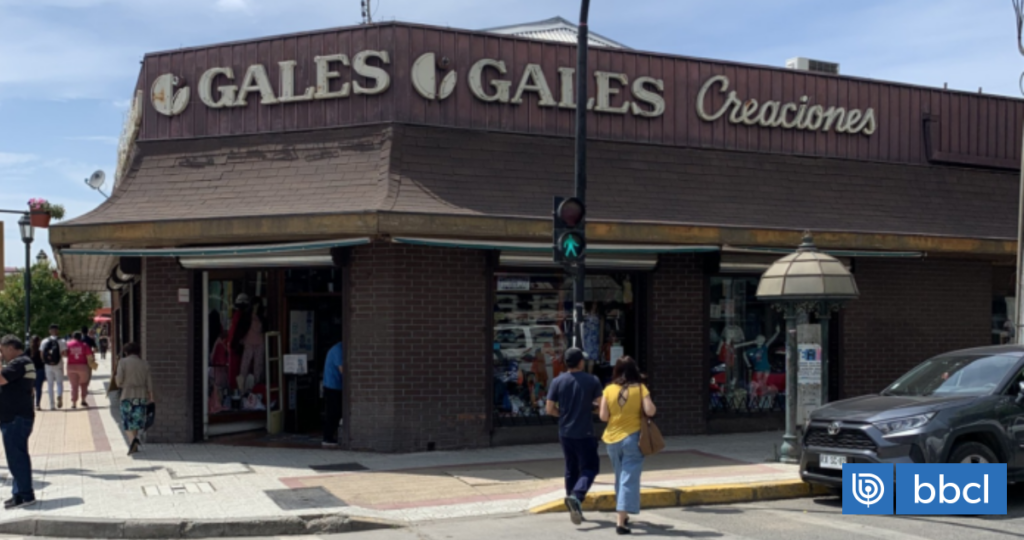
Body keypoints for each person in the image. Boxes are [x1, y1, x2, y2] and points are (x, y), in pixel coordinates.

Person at [599, 356, 657, 535]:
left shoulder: (608, 390)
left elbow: (603, 417)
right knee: (628, 479)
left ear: (616, 370)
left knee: (620, 477)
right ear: (634, 371)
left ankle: (623, 515)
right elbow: (650, 411)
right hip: (632, 439)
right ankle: (620, 522)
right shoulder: (641, 389)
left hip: (611, 439)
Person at [545, 347, 602, 526]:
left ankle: (573, 504)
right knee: (590, 468)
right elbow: (600, 406)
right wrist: (589, 408)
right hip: (584, 432)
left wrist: (562, 414)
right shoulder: (592, 380)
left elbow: (549, 409)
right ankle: (576, 497)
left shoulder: (557, 381)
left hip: (565, 431)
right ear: (580, 362)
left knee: (571, 468)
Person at [0, 335, 37, 509]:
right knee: (17, 457)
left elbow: (1, 379)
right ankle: (19, 492)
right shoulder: (25, 362)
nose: (2, 354)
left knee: (17, 458)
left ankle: (25, 495)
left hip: (15, 418)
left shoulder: (19, 362)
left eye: (2, 350)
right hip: (18, 416)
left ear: (10, 347)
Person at [115, 343, 153, 455]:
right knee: (136, 420)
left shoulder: (123, 362)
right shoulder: (144, 363)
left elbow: (119, 380)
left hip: (127, 394)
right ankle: (134, 444)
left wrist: (120, 384)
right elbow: (149, 382)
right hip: (141, 395)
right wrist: (151, 397)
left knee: (126, 420)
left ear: (126, 352)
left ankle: (133, 441)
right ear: (138, 352)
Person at [39, 324, 67, 410]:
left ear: (49, 331)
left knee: (50, 384)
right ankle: (59, 395)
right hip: (58, 364)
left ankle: (52, 405)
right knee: (59, 383)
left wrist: (46, 361)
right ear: (57, 331)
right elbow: (64, 354)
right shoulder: (62, 341)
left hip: (48, 366)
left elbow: (41, 354)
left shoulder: (44, 341)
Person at [322, 341, 343, 447]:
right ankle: (328, 437)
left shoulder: (337, 349)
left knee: (335, 412)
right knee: (333, 412)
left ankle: (330, 436)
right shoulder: (338, 350)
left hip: (335, 386)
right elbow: (342, 369)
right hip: (333, 386)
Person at [65, 332, 92, 409]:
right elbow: (89, 357)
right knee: (84, 384)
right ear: (81, 337)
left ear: (73, 337)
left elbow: (65, 354)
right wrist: (93, 366)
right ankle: (83, 400)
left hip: (71, 367)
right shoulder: (84, 345)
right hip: (83, 367)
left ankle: (73, 403)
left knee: (74, 386)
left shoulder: (68, 344)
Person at [29, 336, 45, 412]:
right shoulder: (41, 350)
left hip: (30, 371)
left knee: (31, 388)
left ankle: (31, 404)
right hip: (40, 370)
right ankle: (37, 404)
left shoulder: (28, 350)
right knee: (39, 388)